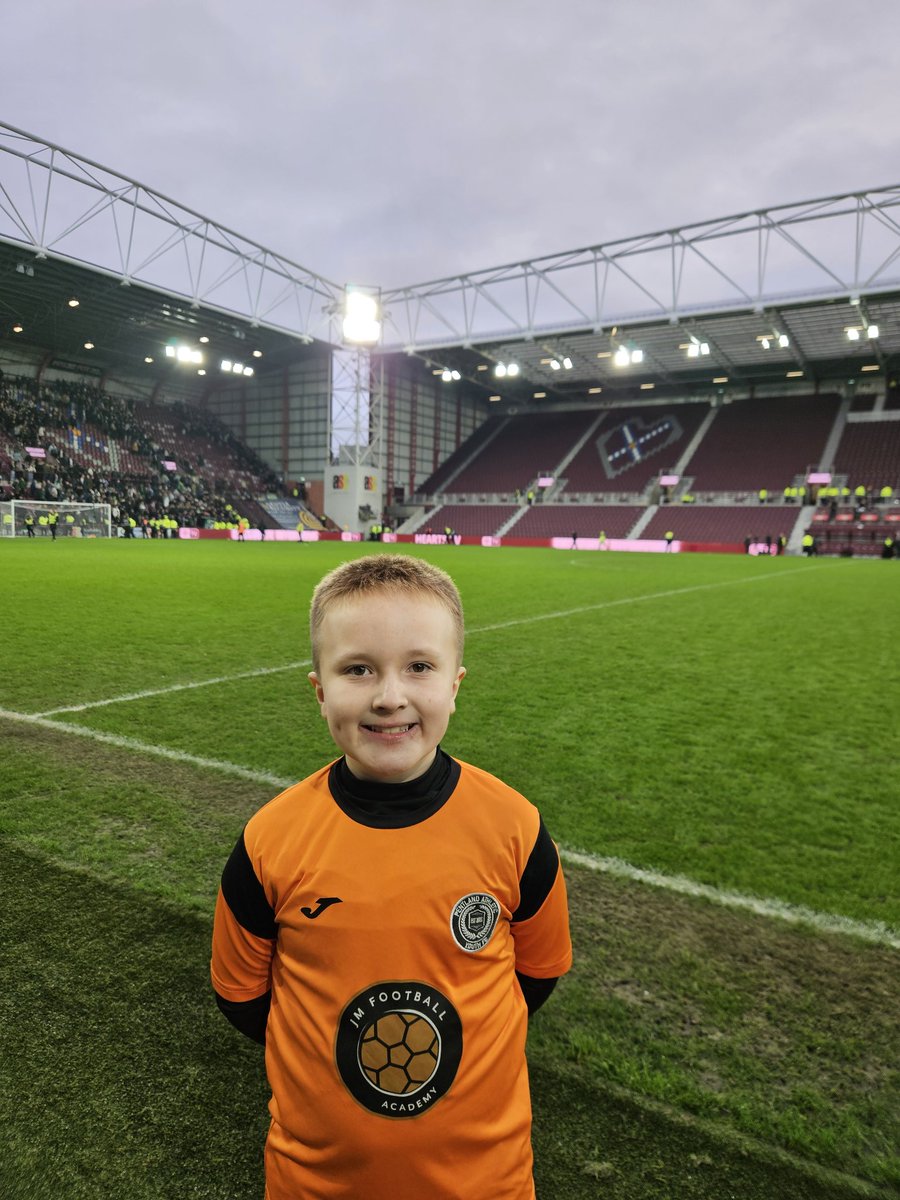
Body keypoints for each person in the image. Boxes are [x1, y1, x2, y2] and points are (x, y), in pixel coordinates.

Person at [211, 555, 572, 1200]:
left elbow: (535, 977)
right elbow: (243, 999)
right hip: (315, 1184)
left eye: (419, 666)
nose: (389, 696)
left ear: (455, 684)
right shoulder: (269, 841)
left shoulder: (514, 828)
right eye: (358, 669)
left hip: (485, 1184)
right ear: (319, 688)